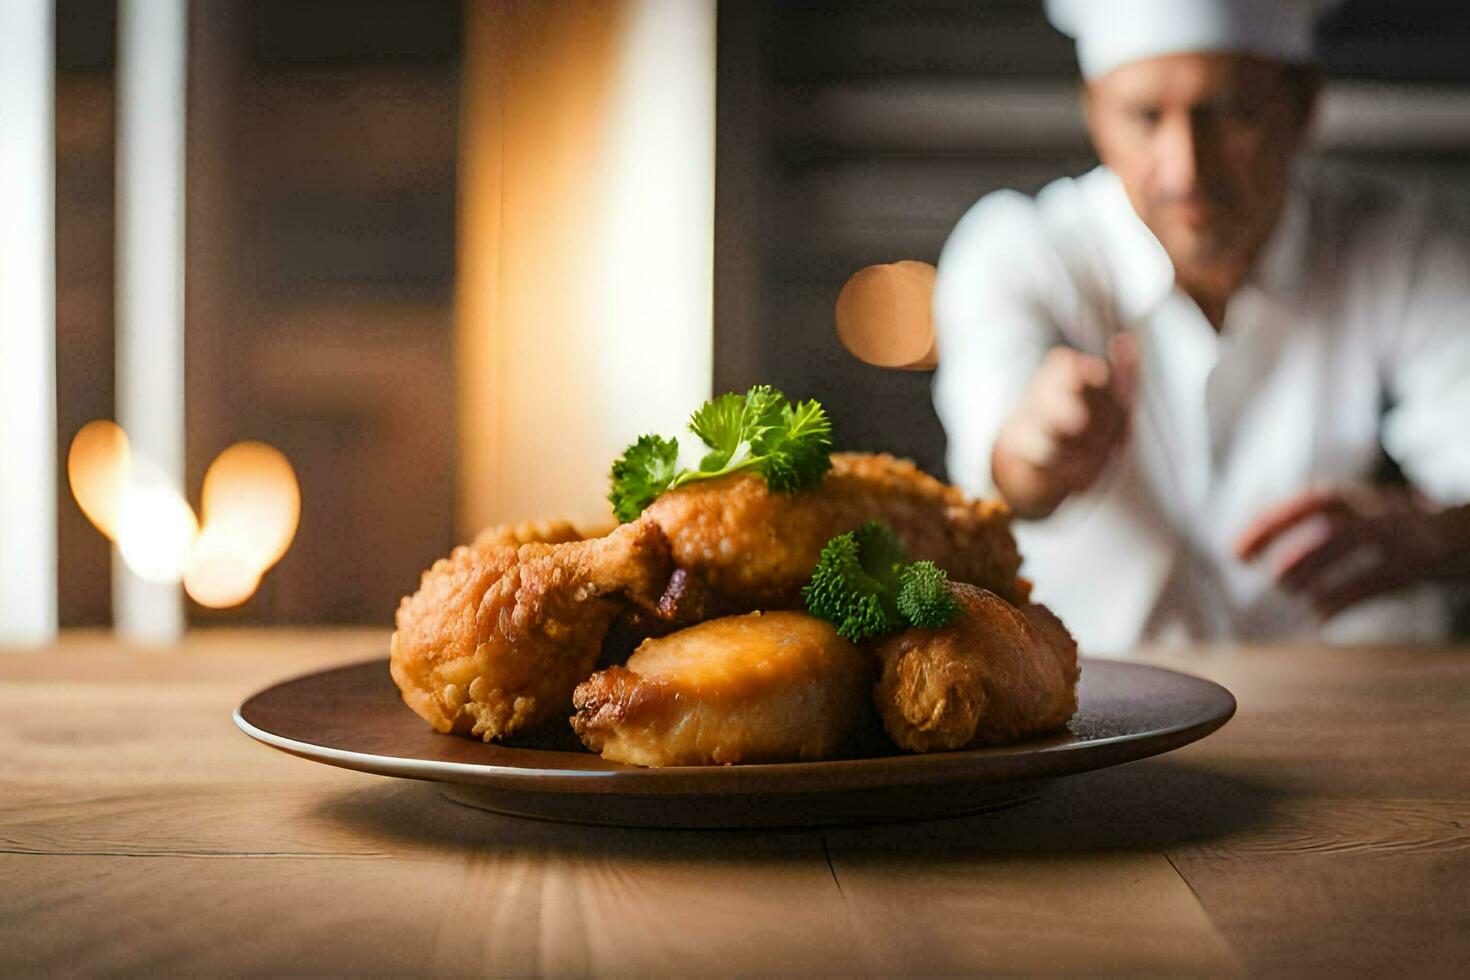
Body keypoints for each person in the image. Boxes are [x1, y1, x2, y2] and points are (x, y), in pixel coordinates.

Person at [932, 0, 1470, 653]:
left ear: (1302, 106)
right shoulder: (1018, 249)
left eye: (1231, 113)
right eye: (1145, 117)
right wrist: (1038, 450)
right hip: (1097, 726)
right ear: (1096, 112)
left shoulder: (1406, 249)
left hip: (1356, 711)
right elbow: (999, 458)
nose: (1187, 169)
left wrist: (1439, 536)